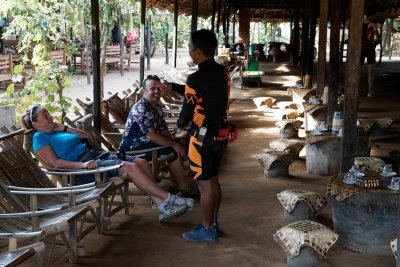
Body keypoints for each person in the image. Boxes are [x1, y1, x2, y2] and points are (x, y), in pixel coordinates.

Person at [22, 105, 194, 223]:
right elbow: (55, 163)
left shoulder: (57, 130)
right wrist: (82, 166)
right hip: (82, 170)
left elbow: (86, 136)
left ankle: (161, 205)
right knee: (131, 166)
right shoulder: (39, 138)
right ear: (36, 124)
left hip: (94, 156)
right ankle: (167, 200)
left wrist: (64, 128)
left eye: (48, 113)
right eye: (45, 116)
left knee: (140, 161)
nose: (50, 116)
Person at [177, 29, 230, 242]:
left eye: (190, 48)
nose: (189, 51)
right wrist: (172, 87)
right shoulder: (222, 72)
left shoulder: (195, 78)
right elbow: (206, 93)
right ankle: (212, 223)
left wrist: (181, 125)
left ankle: (207, 230)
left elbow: (187, 113)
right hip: (221, 134)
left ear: (198, 52)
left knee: (204, 185)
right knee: (213, 181)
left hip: (202, 138)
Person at [119, 75, 198, 196]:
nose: (156, 91)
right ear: (144, 91)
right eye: (152, 88)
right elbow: (151, 135)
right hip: (132, 149)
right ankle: (183, 187)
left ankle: (174, 185)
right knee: (173, 149)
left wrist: (175, 143)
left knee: (177, 147)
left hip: (147, 144)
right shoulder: (141, 108)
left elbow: (164, 131)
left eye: (158, 88)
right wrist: (173, 144)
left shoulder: (157, 108)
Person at [361, 13, 381, 97]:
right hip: (370, 48)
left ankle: (356, 91)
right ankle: (370, 92)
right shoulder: (372, 24)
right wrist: (375, 42)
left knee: (357, 71)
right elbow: (378, 37)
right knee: (371, 71)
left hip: (360, 49)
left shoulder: (357, 24)